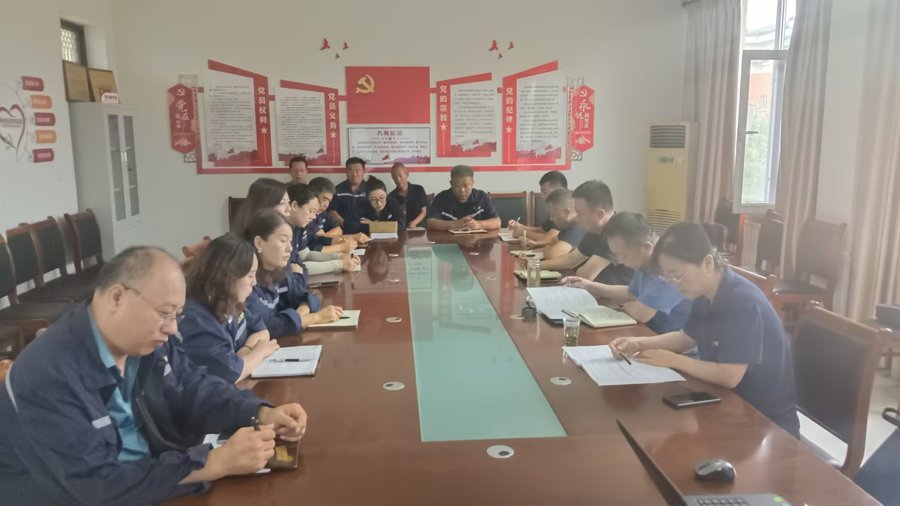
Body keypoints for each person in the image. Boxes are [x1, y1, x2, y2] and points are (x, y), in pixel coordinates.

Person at [0, 246, 308, 505]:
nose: (172, 328)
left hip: (153, 480)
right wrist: (213, 463)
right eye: (164, 313)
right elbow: (95, 485)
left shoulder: (143, 342)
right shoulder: (49, 374)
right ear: (117, 297)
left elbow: (192, 385)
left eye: (177, 315)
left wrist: (260, 413)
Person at [609, 222, 800, 436]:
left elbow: (729, 375)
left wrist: (674, 360)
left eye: (677, 275)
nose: (674, 284)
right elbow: (685, 338)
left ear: (708, 263)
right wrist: (639, 343)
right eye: (667, 277)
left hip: (763, 420)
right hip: (725, 400)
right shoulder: (705, 293)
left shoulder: (742, 303)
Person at [561, 212, 691, 334]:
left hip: (669, 339)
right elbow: (631, 293)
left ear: (646, 247)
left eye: (623, 255)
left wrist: (627, 305)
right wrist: (587, 285)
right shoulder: (644, 260)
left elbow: (641, 314)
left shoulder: (668, 266)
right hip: (649, 330)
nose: (620, 261)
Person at [179, 234, 280, 384]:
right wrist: (259, 352)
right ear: (228, 276)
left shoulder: (231, 301)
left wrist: (246, 351)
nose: (254, 282)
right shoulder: (196, 317)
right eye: (250, 275)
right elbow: (230, 374)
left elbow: (262, 331)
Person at [243, 210, 343, 338]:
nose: (290, 248)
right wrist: (315, 318)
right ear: (259, 243)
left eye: (290, 241)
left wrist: (301, 313)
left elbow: (311, 295)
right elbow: (266, 327)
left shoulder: (279, 270)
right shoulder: (246, 281)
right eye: (283, 240)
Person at [528, 180, 633, 284]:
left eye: (579, 213)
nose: (577, 219)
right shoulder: (595, 229)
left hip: (615, 294)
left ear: (599, 214)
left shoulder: (617, 231)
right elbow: (571, 259)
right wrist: (534, 265)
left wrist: (579, 270)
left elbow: (586, 275)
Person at [286, 183, 358, 275]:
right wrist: (339, 264)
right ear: (294, 205)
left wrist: (340, 257)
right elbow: (294, 269)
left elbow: (306, 255)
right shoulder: (280, 231)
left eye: (315, 212)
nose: (313, 217)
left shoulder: (298, 227)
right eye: (311, 211)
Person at [426, 165, 501, 231]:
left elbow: (497, 222)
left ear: (472, 183)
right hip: (449, 241)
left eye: (466, 186)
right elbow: (431, 222)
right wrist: (454, 225)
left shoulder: (481, 197)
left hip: (477, 241)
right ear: (451, 184)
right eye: (457, 186)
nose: (462, 190)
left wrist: (478, 224)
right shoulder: (442, 198)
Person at [508, 170, 568, 245]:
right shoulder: (555, 206)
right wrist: (520, 226)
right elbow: (542, 230)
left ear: (558, 190)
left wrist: (523, 232)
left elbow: (548, 239)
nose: (542, 196)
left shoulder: (564, 209)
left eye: (545, 192)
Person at [306, 177, 363, 254]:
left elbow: (338, 230)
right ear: (313, 196)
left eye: (329, 201)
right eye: (324, 199)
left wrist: (324, 236)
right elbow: (312, 248)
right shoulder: (307, 217)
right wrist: (344, 243)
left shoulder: (323, 213)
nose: (326, 205)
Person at [532, 189, 585, 260]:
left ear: (567, 212)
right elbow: (553, 240)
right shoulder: (568, 224)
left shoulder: (578, 227)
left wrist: (547, 248)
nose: (551, 219)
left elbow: (552, 255)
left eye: (553, 214)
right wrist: (536, 243)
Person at [328, 157, 368, 235]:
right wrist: (345, 224)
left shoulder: (370, 189)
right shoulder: (337, 190)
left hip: (367, 231)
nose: (354, 174)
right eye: (350, 170)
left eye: (357, 171)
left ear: (364, 171)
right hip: (342, 232)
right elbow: (332, 211)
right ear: (346, 171)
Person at [388, 162, 428, 229]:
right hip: (400, 229)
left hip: (418, 228)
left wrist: (414, 223)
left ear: (407, 174)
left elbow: (423, 211)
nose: (398, 179)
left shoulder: (419, 189)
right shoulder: (391, 196)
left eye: (400, 176)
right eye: (394, 177)